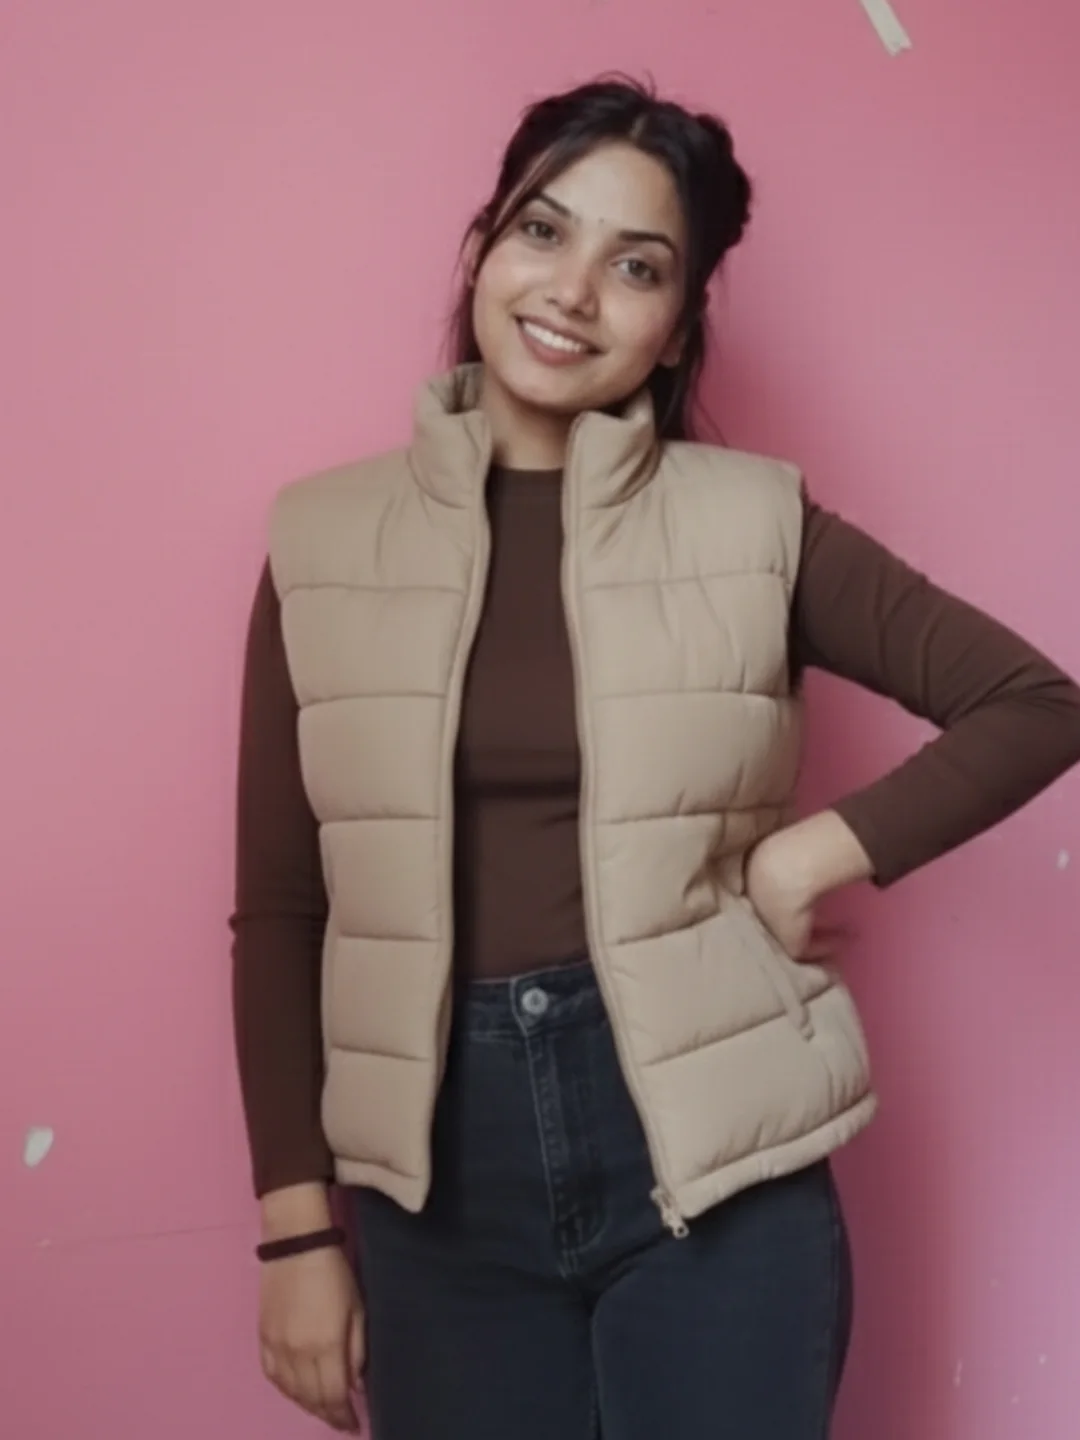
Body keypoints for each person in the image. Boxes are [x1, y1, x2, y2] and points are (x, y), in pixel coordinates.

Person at [229, 76, 1080, 1439]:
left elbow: (1033, 702)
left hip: (719, 1168)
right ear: (481, 248)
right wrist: (295, 1233)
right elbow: (283, 909)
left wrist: (812, 855)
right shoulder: (322, 544)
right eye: (542, 231)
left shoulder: (755, 525)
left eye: (636, 267)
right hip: (436, 1191)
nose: (572, 291)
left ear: (679, 325)